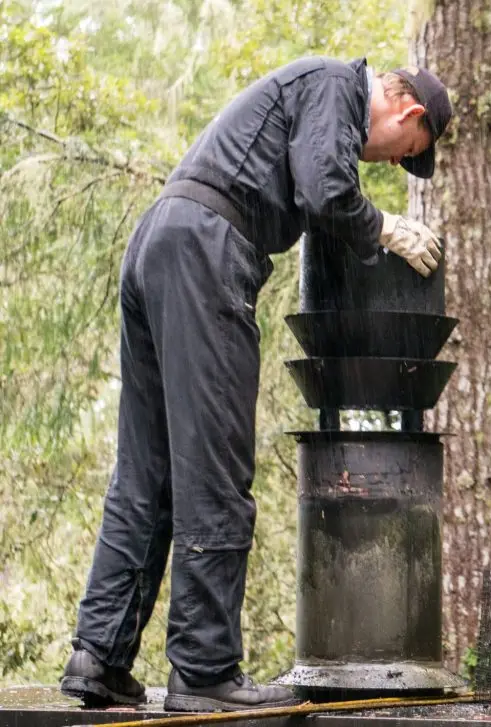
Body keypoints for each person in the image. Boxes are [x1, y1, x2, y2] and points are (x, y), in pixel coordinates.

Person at [58, 55, 453, 713]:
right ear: (407, 110)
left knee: (148, 472)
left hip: (161, 241)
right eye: (403, 151)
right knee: (215, 470)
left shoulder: (314, 98)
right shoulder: (337, 86)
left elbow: (317, 190)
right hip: (206, 252)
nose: (390, 163)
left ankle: (98, 655)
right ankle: (204, 669)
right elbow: (327, 192)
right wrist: (388, 228)